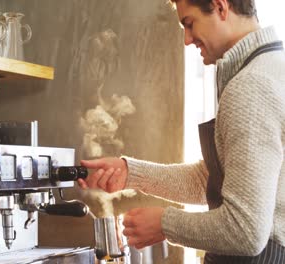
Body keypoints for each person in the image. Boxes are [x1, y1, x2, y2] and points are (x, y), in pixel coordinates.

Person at [78, 0, 285, 263]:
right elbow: (214, 181)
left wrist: (164, 224)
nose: (187, 40)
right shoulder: (271, 68)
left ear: (220, 7)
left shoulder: (251, 87)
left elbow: (245, 231)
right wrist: (130, 173)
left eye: (189, 23)